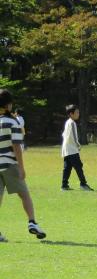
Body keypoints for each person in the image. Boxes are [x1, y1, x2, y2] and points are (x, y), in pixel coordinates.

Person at [0, 89, 45, 242]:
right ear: (8, 105)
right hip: (10, 164)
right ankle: (32, 222)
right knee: (24, 195)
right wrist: (21, 167)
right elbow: (16, 146)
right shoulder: (12, 122)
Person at [61, 104, 93, 191]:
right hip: (72, 149)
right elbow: (75, 137)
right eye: (77, 112)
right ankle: (83, 184)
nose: (78, 114)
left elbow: (64, 134)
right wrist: (78, 145)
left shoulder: (67, 122)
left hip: (66, 149)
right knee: (78, 166)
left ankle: (64, 185)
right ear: (71, 114)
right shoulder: (72, 123)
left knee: (67, 168)